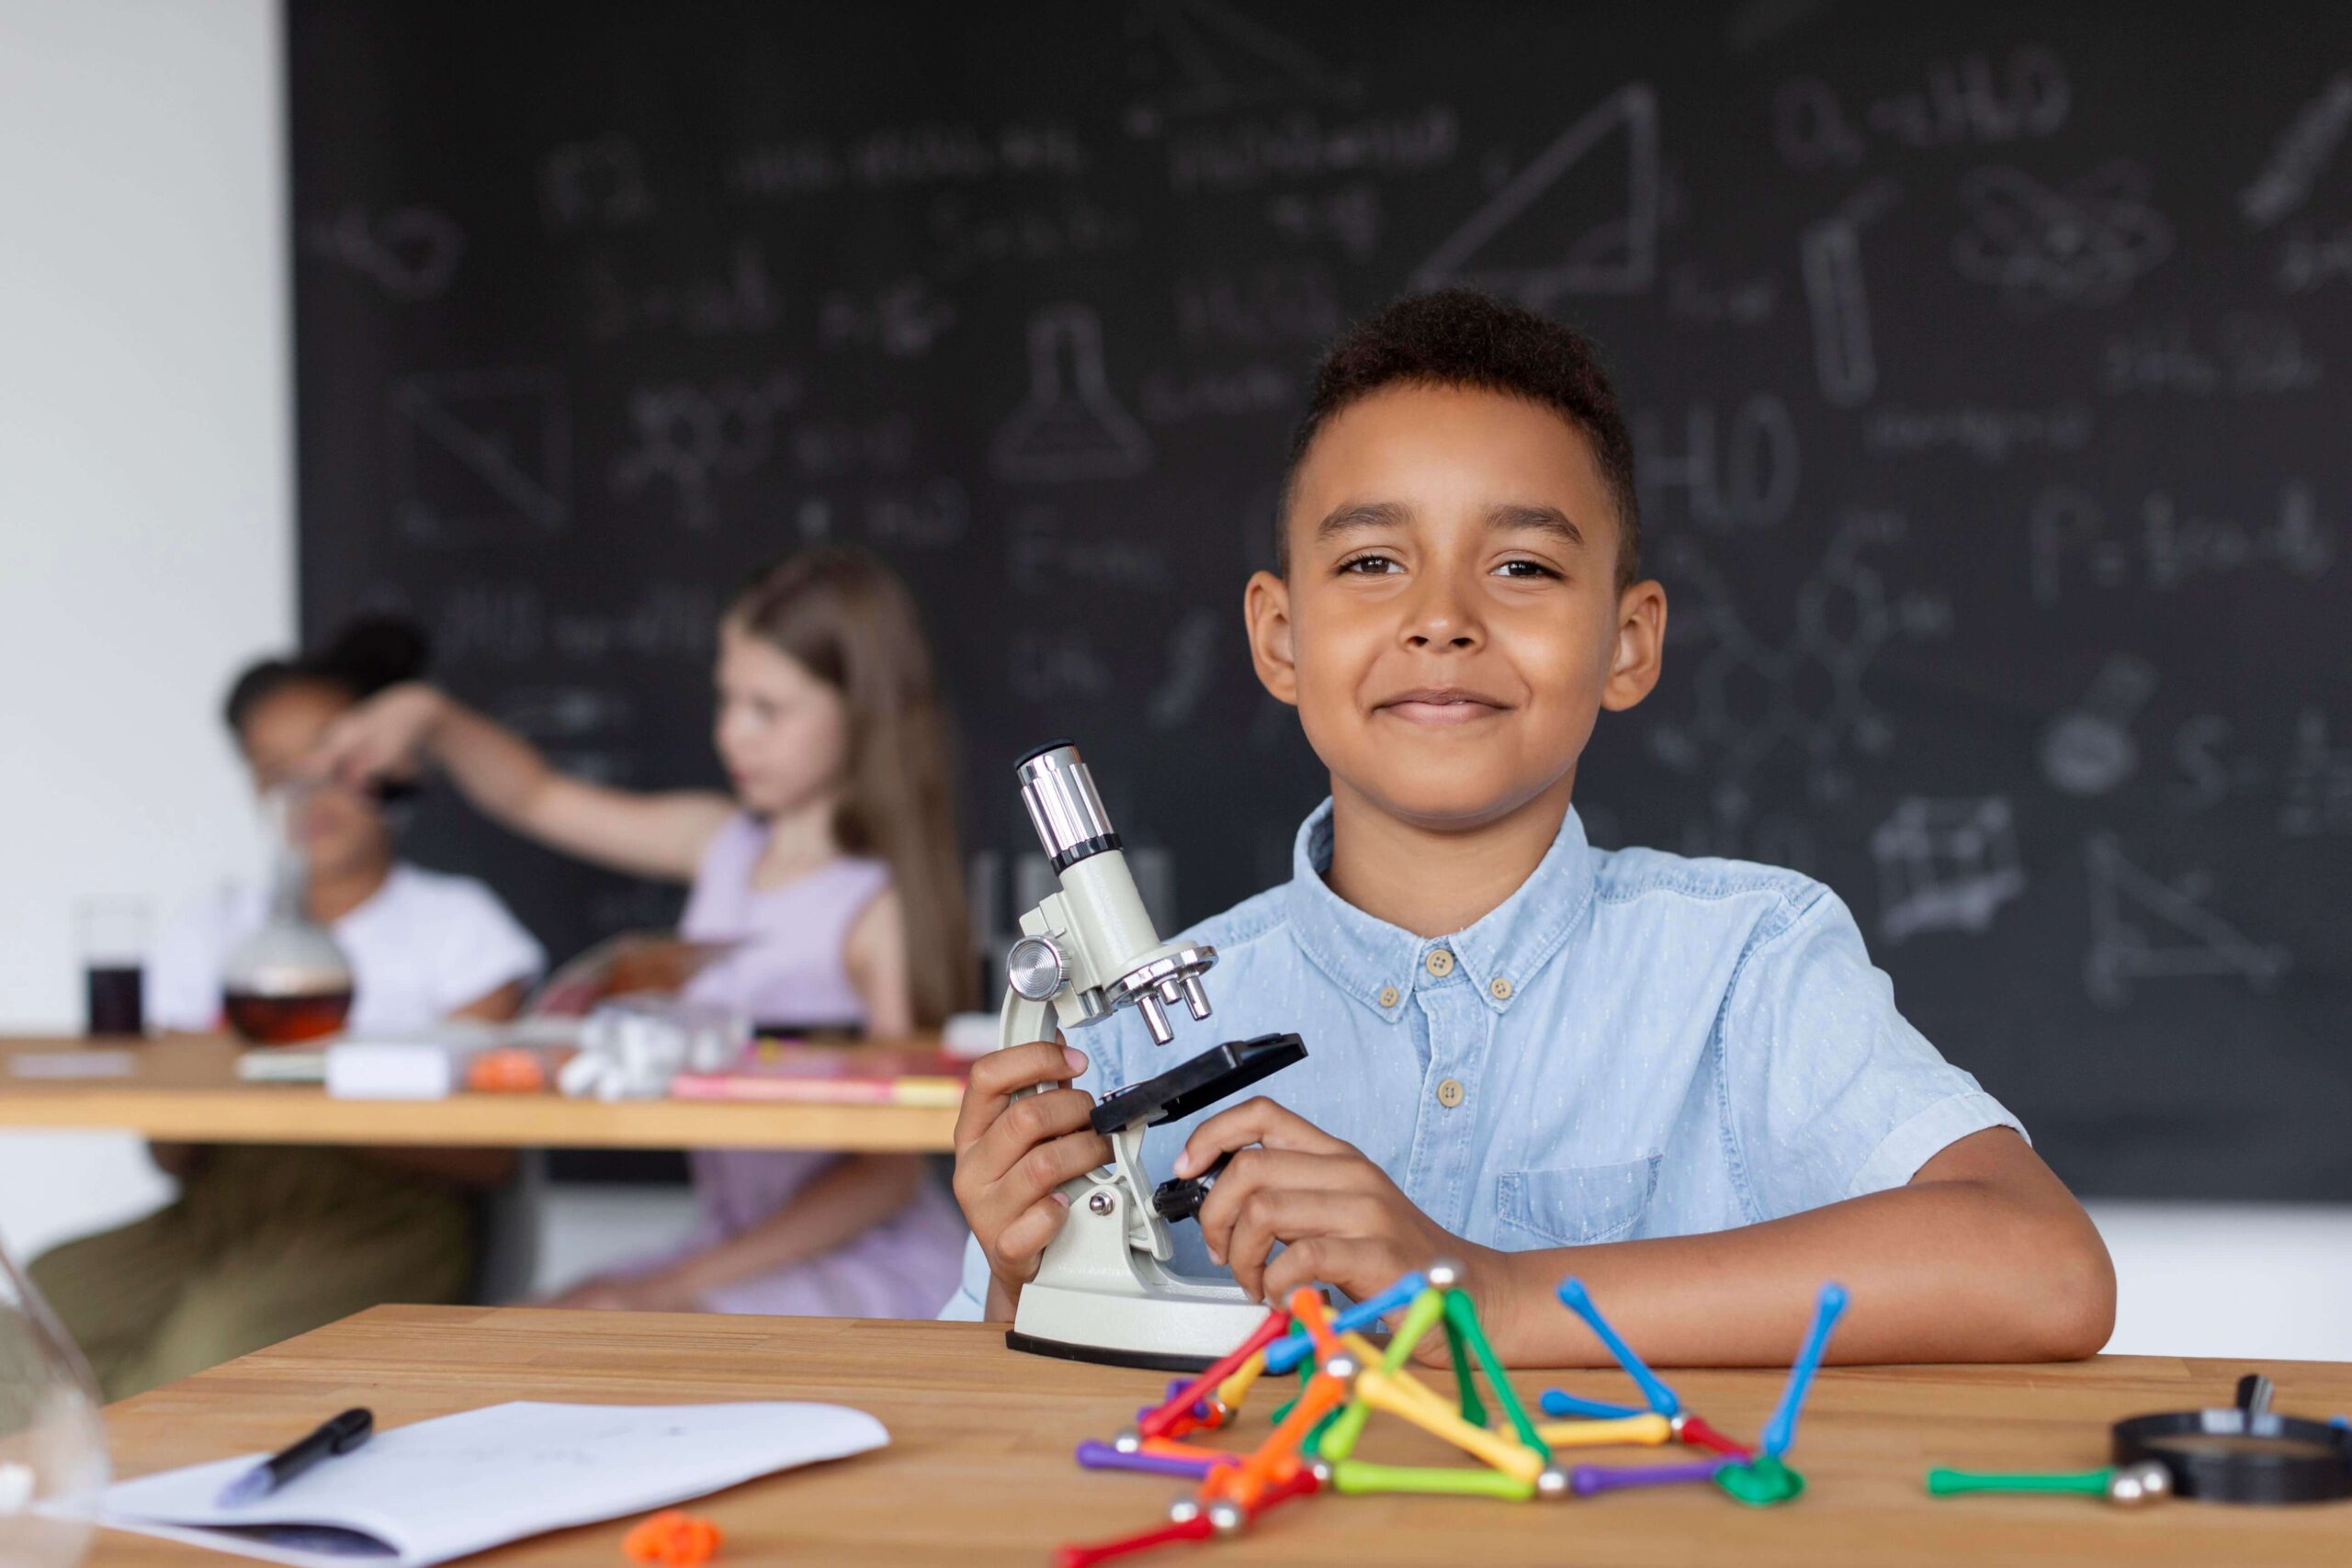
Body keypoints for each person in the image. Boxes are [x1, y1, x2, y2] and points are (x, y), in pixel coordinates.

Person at [945, 290, 2117, 1366]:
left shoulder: (1749, 961)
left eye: (1518, 565)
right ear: (1279, 636)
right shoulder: (1131, 1033)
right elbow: (997, 1414)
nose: (1441, 619)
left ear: (1628, 641)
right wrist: (1014, 1282)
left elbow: (2045, 1272)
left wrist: (1491, 1296)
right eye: (1370, 561)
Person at [313, 547, 973, 1317]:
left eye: (769, 708)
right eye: (727, 700)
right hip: (731, 1246)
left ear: (861, 709)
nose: (734, 735)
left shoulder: (875, 910)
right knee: (525, 1332)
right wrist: (431, 716)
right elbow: (537, 796)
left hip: (855, 1261)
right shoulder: (722, 844)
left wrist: (664, 1288)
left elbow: (886, 1175)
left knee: (587, 1329)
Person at [31, 619, 543, 1399]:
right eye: (273, 771)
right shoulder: (219, 924)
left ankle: (134, 1476)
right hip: (222, 1210)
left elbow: (490, 1153)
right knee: (41, 1310)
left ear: (381, 759)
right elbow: (172, 1152)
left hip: (384, 1218)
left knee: (208, 1348)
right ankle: (88, 1482)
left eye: (325, 758)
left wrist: (289, 1080)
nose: (305, 792)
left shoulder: (459, 925)